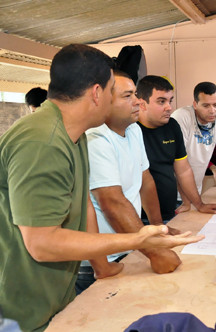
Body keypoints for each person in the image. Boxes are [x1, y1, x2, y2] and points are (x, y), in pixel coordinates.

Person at [0, 44, 203, 331]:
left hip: (55, 295)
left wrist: (104, 266)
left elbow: (84, 206)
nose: (130, 102)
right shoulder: (42, 142)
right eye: (113, 92)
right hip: (20, 309)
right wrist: (139, 240)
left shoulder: (74, 134)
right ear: (97, 93)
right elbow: (42, 244)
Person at [76, 71, 186, 294]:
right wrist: (154, 252)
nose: (137, 101)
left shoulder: (133, 130)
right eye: (128, 96)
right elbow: (111, 202)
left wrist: (157, 230)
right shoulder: (96, 138)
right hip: (99, 262)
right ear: (104, 100)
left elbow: (145, 181)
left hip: (129, 246)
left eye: (135, 94)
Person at [136, 75, 216, 218]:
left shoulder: (172, 126)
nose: (169, 107)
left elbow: (183, 171)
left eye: (170, 101)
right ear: (142, 104)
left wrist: (199, 204)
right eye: (161, 101)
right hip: (141, 218)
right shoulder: (131, 130)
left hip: (168, 213)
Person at [171, 81, 216, 211]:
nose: (212, 111)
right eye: (206, 106)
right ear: (195, 104)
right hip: (175, 195)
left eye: (215, 105)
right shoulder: (181, 117)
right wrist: (196, 204)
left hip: (196, 193)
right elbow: (178, 166)